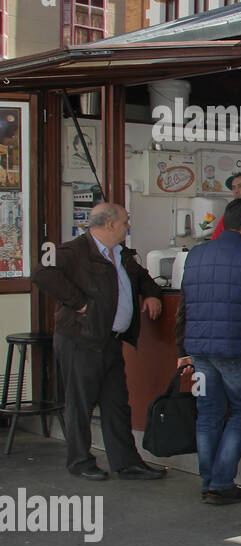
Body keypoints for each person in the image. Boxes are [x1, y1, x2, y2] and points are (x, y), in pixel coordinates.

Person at [33, 203, 166, 481]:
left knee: (117, 403)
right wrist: (78, 302)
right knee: (80, 403)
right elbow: (42, 273)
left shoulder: (122, 254)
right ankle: (80, 462)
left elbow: (143, 278)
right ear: (110, 225)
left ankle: (126, 462)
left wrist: (152, 294)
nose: (128, 227)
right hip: (80, 339)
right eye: (125, 222)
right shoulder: (73, 250)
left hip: (111, 340)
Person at [176, 198, 241, 504]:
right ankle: (221, 484)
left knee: (207, 414)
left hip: (200, 351)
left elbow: (184, 306)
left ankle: (208, 480)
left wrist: (182, 347)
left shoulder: (196, 254)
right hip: (236, 348)